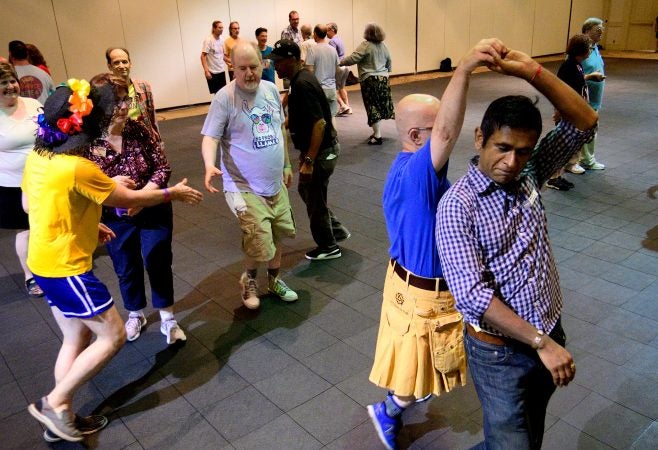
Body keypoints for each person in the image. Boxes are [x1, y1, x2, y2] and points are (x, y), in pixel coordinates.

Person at [436, 39, 598, 449]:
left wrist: (532, 72)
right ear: (479, 139)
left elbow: (585, 122)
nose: (511, 163)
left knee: (528, 436)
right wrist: (540, 343)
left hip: (547, 334)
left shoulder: (528, 174)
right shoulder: (459, 205)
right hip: (501, 354)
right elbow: (472, 297)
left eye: (523, 152)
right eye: (502, 148)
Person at [23, 80, 202, 442]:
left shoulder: (40, 158)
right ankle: (54, 403)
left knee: (76, 337)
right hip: (66, 268)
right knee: (113, 334)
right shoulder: (78, 168)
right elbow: (126, 196)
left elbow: (35, 205)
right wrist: (175, 193)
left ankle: (61, 420)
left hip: (42, 262)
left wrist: (91, 221)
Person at [366, 41, 501, 448]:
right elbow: (446, 132)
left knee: (423, 370)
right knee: (412, 378)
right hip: (423, 298)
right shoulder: (416, 174)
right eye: (434, 127)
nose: (447, 136)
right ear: (413, 135)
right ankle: (387, 412)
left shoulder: (413, 171)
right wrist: (464, 69)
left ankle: (397, 402)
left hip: (414, 288)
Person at [81, 73, 185, 344]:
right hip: (115, 216)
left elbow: (163, 167)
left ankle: (168, 317)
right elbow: (82, 183)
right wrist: (110, 186)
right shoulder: (87, 142)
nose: (125, 106)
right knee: (126, 265)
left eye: (126, 98)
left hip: (152, 207)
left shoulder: (138, 128)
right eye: (117, 102)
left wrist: (141, 196)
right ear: (99, 106)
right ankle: (135, 313)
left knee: (157, 258)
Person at [201, 41, 297, 309]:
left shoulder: (269, 90)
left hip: (275, 182)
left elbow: (280, 131)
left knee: (277, 232)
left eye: (253, 66)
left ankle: (275, 280)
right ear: (232, 67)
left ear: (262, 64)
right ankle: (249, 280)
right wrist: (209, 164)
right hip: (242, 186)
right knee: (258, 237)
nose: (249, 73)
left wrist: (287, 165)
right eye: (242, 68)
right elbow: (210, 137)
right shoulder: (224, 98)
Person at [272, 39, 349, 261]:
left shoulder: (303, 84)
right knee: (309, 193)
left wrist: (309, 160)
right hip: (323, 150)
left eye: (279, 61)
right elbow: (304, 116)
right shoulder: (298, 81)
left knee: (313, 195)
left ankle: (328, 246)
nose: (275, 66)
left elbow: (319, 124)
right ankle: (335, 231)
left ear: (293, 60)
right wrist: (285, 124)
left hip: (322, 152)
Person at [0, 62, 44, 297]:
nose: (10, 87)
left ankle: (53, 269)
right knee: (26, 231)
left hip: (44, 178)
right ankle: (30, 276)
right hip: (12, 184)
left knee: (50, 224)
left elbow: (50, 133)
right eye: (3, 83)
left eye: (12, 81)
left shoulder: (34, 104)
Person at [546, 34, 592, 190]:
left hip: (574, 114)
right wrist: (559, 112)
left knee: (567, 148)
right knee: (561, 147)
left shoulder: (577, 65)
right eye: (589, 48)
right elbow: (559, 91)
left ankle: (558, 175)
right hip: (567, 115)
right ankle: (552, 178)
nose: (591, 50)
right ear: (582, 50)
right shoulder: (568, 66)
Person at [340, 23, 394, 145]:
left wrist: (340, 62)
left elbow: (353, 58)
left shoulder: (365, 45)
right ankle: (376, 132)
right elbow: (389, 60)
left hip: (370, 80)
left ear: (367, 33)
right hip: (383, 79)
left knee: (372, 106)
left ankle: (378, 135)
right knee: (380, 105)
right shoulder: (383, 45)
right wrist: (386, 71)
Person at [105, 47, 161, 141]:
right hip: (119, 142)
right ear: (110, 66)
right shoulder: (105, 92)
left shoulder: (143, 87)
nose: (122, 66)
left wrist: (158, 142)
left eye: (124, 62)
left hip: (143, 140)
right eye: (116, 62)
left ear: (130, 64)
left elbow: (152, 119)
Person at [578, 17, 607, 171]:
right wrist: (591, 77)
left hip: (594, 99)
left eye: (602, 30)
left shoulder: (595, 47)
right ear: (587, 30)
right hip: (584, 99)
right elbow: (571, 75)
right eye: (598, 30)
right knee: (585, 130)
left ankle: (586, 158)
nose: (601, 33)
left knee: (591, 130)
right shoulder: (581, 49)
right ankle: (586, 160)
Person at [305, 24, 340, 117]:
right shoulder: (333, 50)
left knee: (319, 119)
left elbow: (309, 71)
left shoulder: (312, 50)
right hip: (332, 89)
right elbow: (338, 70)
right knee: (332, 118)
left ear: (315, 34)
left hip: (318, 90)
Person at [8, 40, 53, 105]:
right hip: (43, 113)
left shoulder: (8, 76)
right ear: (27, 54)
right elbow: (54, 97)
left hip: (20, 114)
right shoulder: (43, 74)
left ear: (10, 55)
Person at [327, 22, 352, 116]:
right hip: (345, 66)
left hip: (338, 67)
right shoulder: (340, 39)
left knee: (333, 88)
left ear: (332, 30)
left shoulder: (332, 42)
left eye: (327, 30)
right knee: (341, 87)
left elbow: (332, 55)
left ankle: (343, 106)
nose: (326, 33)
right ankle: (348, 107)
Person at [201, 20, 227, 95]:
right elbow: (203, 56)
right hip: (212, 72)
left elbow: (222, 56)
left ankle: (221, 106)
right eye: (219, 28)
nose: (221, 29)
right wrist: (206, 71)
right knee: (217, 94)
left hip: (221, 71)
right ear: (214, 28)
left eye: (222, 28)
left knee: (222, 93)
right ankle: (217, 107)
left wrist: (230, 62)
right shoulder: (208, 40)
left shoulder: (222, 39)